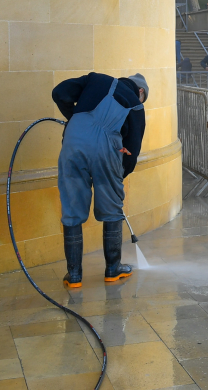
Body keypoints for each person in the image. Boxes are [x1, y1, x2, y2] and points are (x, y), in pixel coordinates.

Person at [52, 72, 148, 287]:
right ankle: (113, 270)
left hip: (73, 143)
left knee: (72, 208)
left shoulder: (95, 79)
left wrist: (74, 118)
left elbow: (59, 92)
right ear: (140, 91)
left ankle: (74, 275)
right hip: (107, 149)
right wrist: (118, 175)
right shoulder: (136, 106)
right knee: (112, 208)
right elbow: (132, 149)